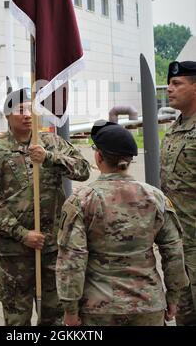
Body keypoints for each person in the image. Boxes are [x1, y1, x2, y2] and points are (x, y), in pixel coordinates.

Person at [56, 120, 188, 326]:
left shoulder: (81, 200)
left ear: (98, 156)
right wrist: (173, 298)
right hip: (148, 305)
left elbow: (72, 259)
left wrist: (70, 310)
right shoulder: (156, 198)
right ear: (129, 160)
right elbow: (174, 252)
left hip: (98, 309)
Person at [0, 88, 90, 326]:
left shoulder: (50, 142)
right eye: (20, 109)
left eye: (31, 108)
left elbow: (83, 169)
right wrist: (22, 234)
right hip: (14, 252)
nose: (27, 114)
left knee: (55, 318)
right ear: (7, 115)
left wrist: (50, 157)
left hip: (52, 249)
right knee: (17, 319)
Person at [160, 60, 196, 326]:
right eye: (169, 83)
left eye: (177, 83)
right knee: (185, 316)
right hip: (179, 245)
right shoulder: (174, 129)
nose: (169, 89)